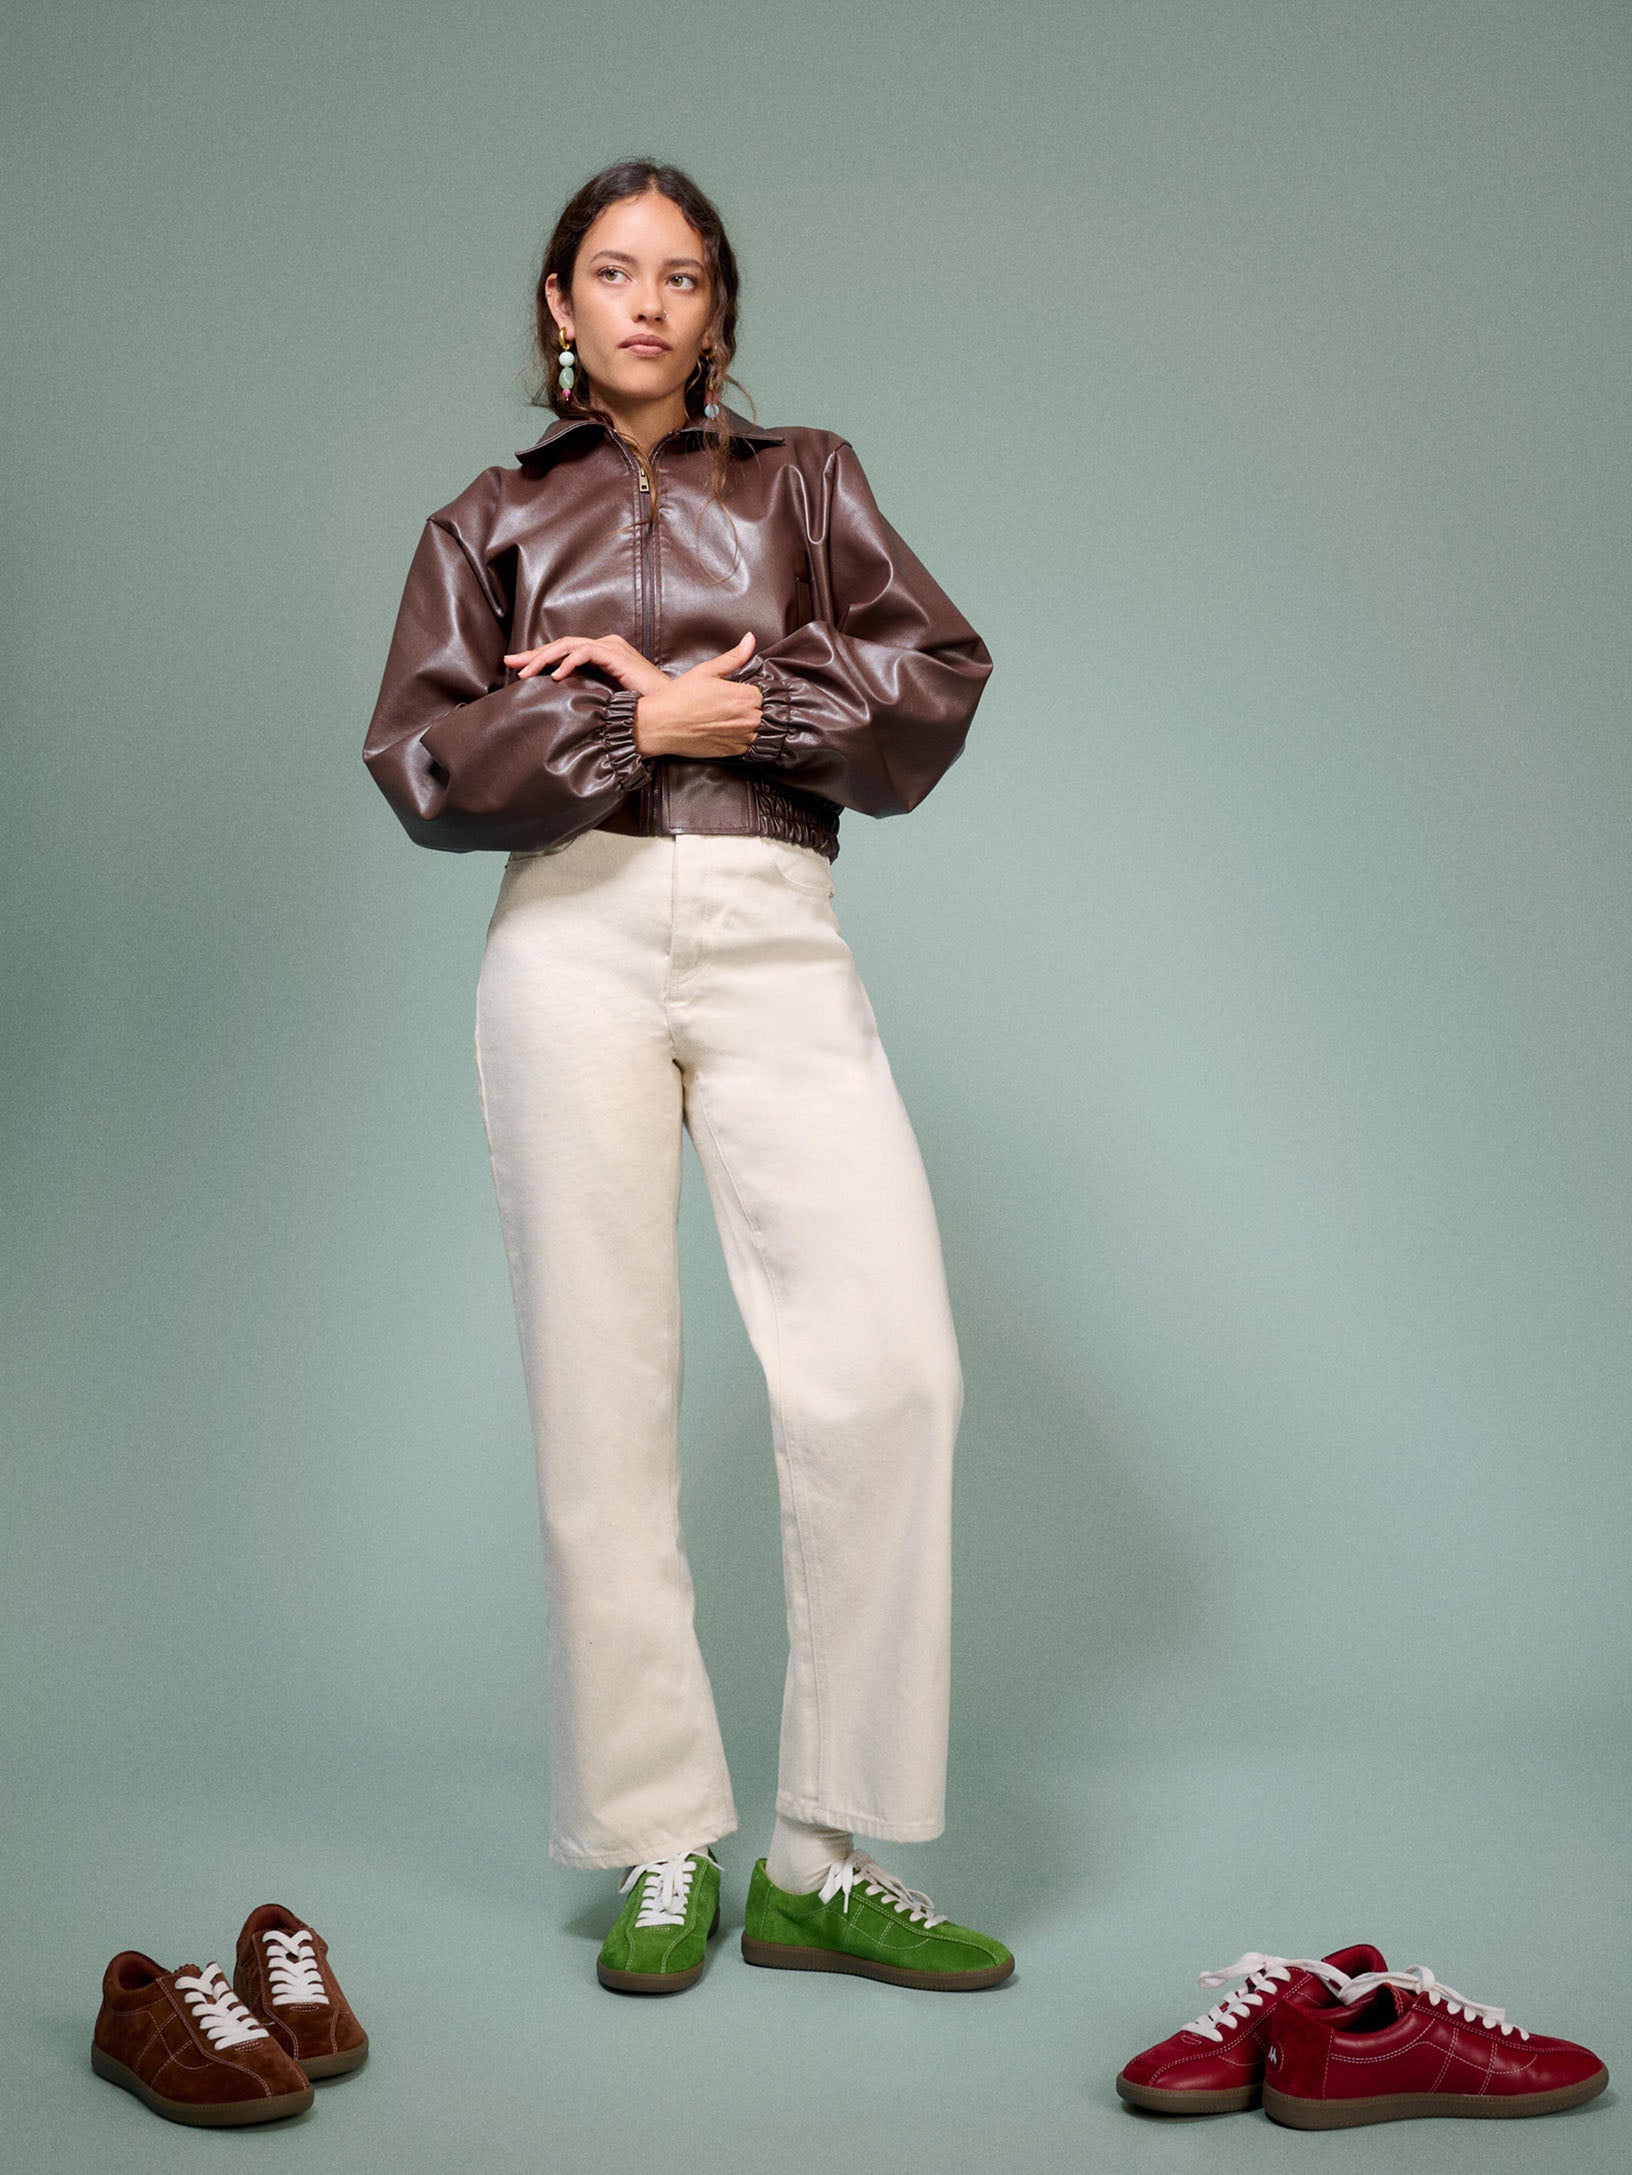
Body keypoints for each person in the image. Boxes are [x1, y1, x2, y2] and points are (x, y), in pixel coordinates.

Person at [362, 159, 1014, 1996]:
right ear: (558, 307)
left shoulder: (808, 481)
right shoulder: (486, 520)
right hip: (565, 937)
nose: (645, 303)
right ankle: (662, 1842)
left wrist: (750, 707)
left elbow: (935, 675)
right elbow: (420, 758)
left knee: (891, 1370)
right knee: (601, 1400)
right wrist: (628, 718)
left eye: (682, 276)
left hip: (769, 916)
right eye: (610, 272)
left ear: (718, 311)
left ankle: (820, 1856)